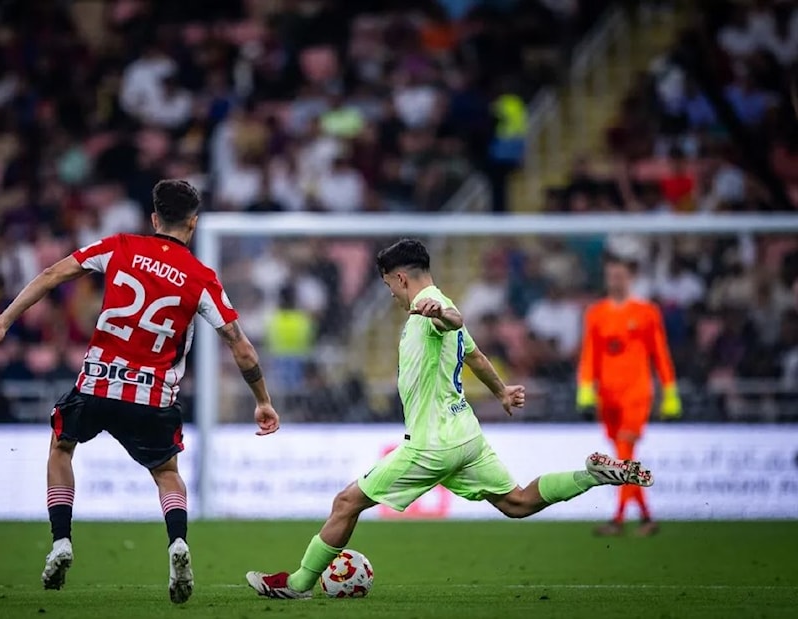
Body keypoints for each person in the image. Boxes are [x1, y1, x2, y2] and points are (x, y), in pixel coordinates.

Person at [245, 239, 654, 599]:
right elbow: (474, 354)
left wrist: (439, 311)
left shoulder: (433, 308)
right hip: (465, 436)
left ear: (401, 278)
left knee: (346, 501)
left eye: (388, 284)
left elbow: (453, 320)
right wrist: (502, 391)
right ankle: (591, 475)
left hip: (431, 445)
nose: (389, 293)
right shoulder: (431, 306)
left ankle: (297, 584)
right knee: (517, 502)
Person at [0, 180, 280, 603]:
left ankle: (61, 540)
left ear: (154, 219)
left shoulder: (120, 247)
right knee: (167, 474)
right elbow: (239, 346)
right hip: (152, 396)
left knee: (61, 447)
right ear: (194, 223)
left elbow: (53, 273)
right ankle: (177, 543)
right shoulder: (201, 277)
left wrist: (3, 321)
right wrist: (262, 399)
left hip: (96, 383)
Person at [577, 253, 681, 537]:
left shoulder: (646, 312)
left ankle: (619, 520)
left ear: (630, 278)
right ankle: (647, 517)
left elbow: (660, 353)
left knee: (623, 455)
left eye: (621, 275)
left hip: (637, 394)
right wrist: (586, 389)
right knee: (622, 458)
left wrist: (670, 391)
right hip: (607, 396)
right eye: (612, 275)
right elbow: (590, 354)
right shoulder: (596, 313)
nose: (616, 280)